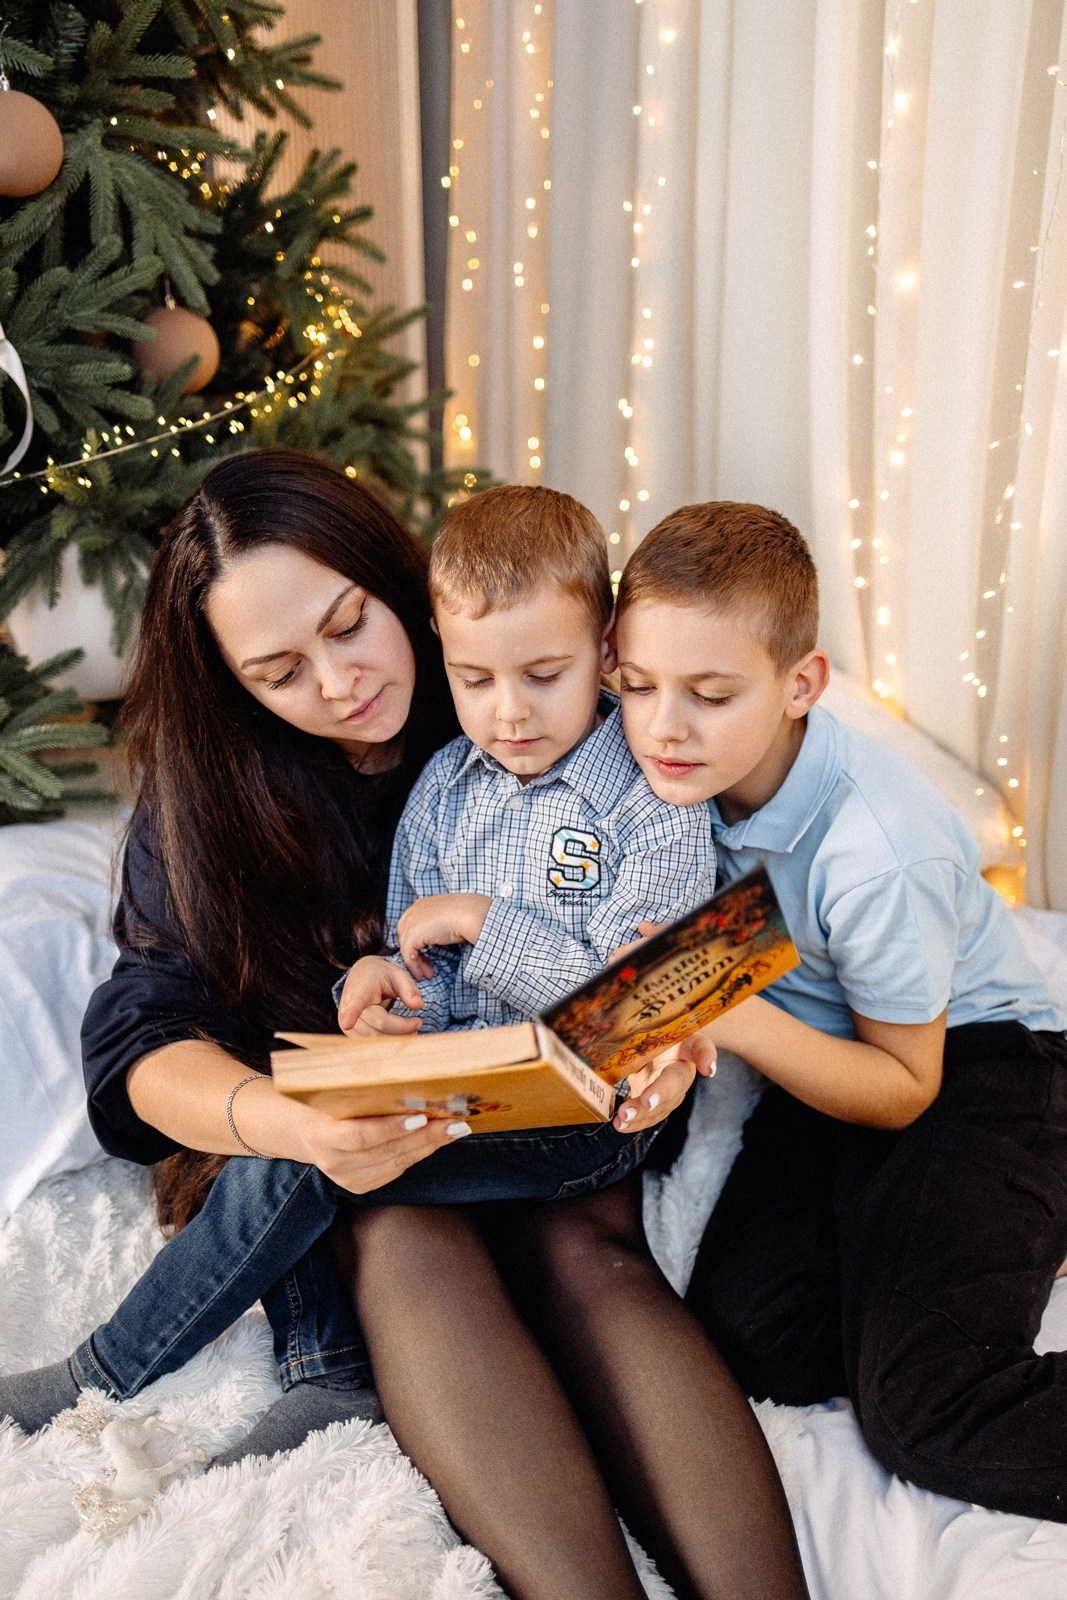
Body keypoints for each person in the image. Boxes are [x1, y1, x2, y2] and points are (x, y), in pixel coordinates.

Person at [0, 459, 812, 1600]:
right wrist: (298, 1099)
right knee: (390, 1225)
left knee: (582, 1252)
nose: (338, 684)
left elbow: (698, 904)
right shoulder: (230, 791)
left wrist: (669, 1029)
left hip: (580, 1104)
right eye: (280, 671)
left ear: (402, 590)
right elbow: (145, 1025)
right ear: (230, 682)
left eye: (349, 627)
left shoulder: (525, 674)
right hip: (404, 1118)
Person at [535, 498, 1067, 1526]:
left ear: (801, 686)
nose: (661, 726)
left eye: (709, 694)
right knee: (756, 1344)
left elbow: (904, 1089)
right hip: (819, 1065)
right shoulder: (657, 772)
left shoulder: (879, 850)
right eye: (634, 685)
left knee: (923, 1411)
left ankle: (1014, 1200)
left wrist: (722, 1011)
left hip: (974, 1070)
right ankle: (950, 1240)